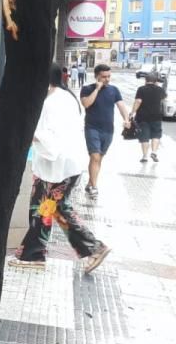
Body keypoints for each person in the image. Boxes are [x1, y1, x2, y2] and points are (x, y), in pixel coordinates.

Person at [11, 64, 112, 272]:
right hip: (64, 166)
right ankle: (90, 248)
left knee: (42, 209)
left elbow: (51, 138)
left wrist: (31, 135)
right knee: (56, 209)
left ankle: (34, 255)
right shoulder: (66, 97)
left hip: (57, 167)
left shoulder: (52, 102)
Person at [80, 63, 131, 199]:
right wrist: (97, 89)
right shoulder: (87, 89)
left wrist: (126, 119)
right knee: (95, 157)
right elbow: (86, 104)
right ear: (96, 76)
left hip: (108, 130)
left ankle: (90, 183)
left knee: (99, 158)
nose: (107, 79)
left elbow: (121, 106)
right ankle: (94, 187)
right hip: (92, 128)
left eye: (109, 76)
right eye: (104, 77)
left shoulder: (114, 90)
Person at [132, 72, 167, 162]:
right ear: (155, 81)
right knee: (156, 135)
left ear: (145, 80)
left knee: (145, 137)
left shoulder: (141, 89)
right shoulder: (160, 90)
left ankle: (145, 156)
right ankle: (154, 152)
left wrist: (132, 112)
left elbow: (138, 101)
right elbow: (164, 99)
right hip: (156, 116)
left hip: (143, 117)